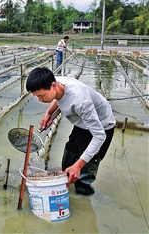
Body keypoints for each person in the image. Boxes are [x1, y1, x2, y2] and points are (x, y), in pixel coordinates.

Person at [26, 67, 115, 195]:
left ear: (53, 85)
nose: (40, 100)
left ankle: (84, 200)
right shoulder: (58, 82)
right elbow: (59, 98)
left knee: (84, 174)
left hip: (101, 127)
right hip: (82, 124)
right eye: (37, 97)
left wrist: (78, 166)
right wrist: (48, 113)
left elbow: (99, 136)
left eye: (41, 96)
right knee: (69, 158)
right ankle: (68, 186)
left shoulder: (80, 102)